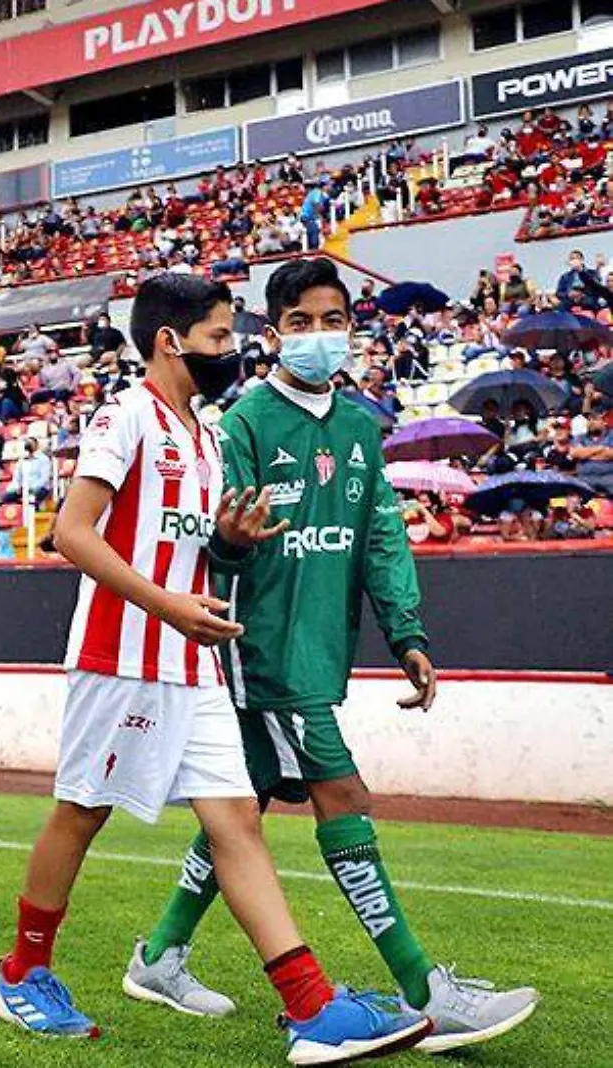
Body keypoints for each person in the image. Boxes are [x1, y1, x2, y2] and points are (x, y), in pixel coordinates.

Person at [0, 272, 430, 1063]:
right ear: (170, 339)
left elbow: (206, 548)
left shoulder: (202, 432)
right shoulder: (125, 415)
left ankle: (311, 1007)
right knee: (82, 812)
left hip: (196, 663)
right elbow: (72, 533)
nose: (233, 351)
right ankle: (22, 973)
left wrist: (231, 539)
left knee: (238, 822)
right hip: (121, 656)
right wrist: (166, 604)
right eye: (222, 337)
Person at [125, 258, 539, 1051]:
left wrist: (407, 631)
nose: (320, 337)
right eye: (302, 323)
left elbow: (380, 535)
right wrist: (231, 542)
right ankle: (427, 989)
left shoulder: (356, 426)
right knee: (341, 796)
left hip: (320, 648)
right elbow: (217, 546)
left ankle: (160, 954)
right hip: (264, 652)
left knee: (236, 813)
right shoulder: (242, 421)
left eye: (333, 321)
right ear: (273, 333)